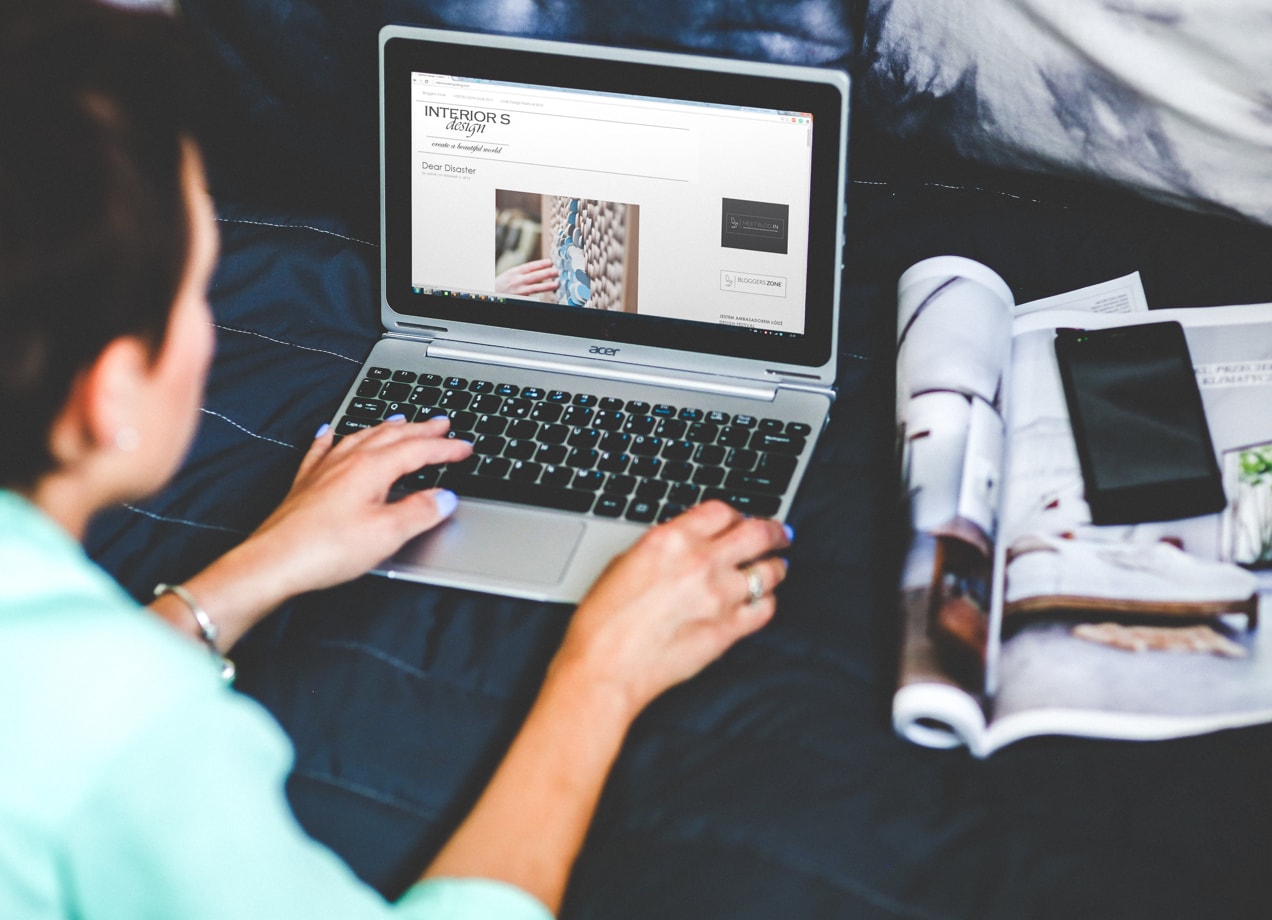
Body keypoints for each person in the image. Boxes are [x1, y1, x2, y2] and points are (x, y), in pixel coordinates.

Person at [0, 2, 791, 917]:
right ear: (110, 398)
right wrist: (601, 674)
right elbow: (79, 728)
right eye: (195, 287)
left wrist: (255, 571)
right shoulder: (144, 741)